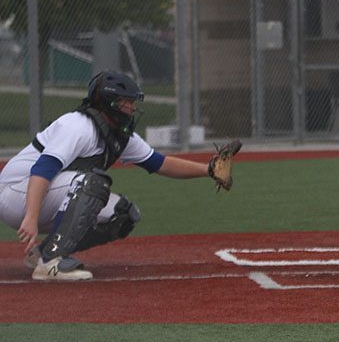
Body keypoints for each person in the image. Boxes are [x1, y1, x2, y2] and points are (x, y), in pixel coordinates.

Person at [0, 71, 235, 281]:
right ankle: (51, 262)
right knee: (93, 184)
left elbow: (159, 163)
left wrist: (208, 170)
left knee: (123, 215)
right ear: (110, 103)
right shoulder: (78, 126)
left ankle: (42, 253)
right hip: (15, 194)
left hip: (47, 194)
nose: (132, 108)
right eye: (127, 102)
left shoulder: (118, 134)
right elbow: (42, 170)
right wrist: (30, 217)